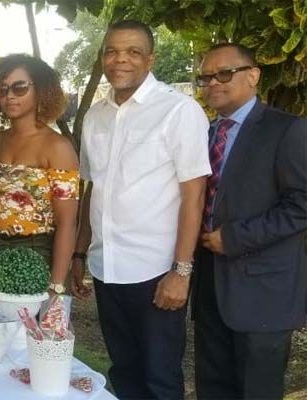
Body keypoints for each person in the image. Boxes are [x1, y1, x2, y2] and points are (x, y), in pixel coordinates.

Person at [71, 20, 210, 399]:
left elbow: (194, 196)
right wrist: (80, 253)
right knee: (124, 372)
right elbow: (92, 188)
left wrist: (181, 272)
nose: (121, 59)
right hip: (105, 267)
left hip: (155, 270)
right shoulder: (95, 115)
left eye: (133, 51)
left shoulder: (178, 111)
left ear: (151, 59)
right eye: (112, 51)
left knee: (159, 378)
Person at [192, 43, 307, 399]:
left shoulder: (286, 130)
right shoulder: (205, 133)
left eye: (224, 74)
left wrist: (235, 238)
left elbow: (301, 205)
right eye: (206, 77)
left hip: (262, 292)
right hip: (209, 285)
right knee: (212, 388)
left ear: (253, 75)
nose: (213, 82)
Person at [0, 54, 78, 296]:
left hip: (37, 255)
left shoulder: (58, 147)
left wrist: (56, 285)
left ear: (41, 90)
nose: (10, 96)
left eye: (20, 87)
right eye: (2, 89)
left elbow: (67, 223)